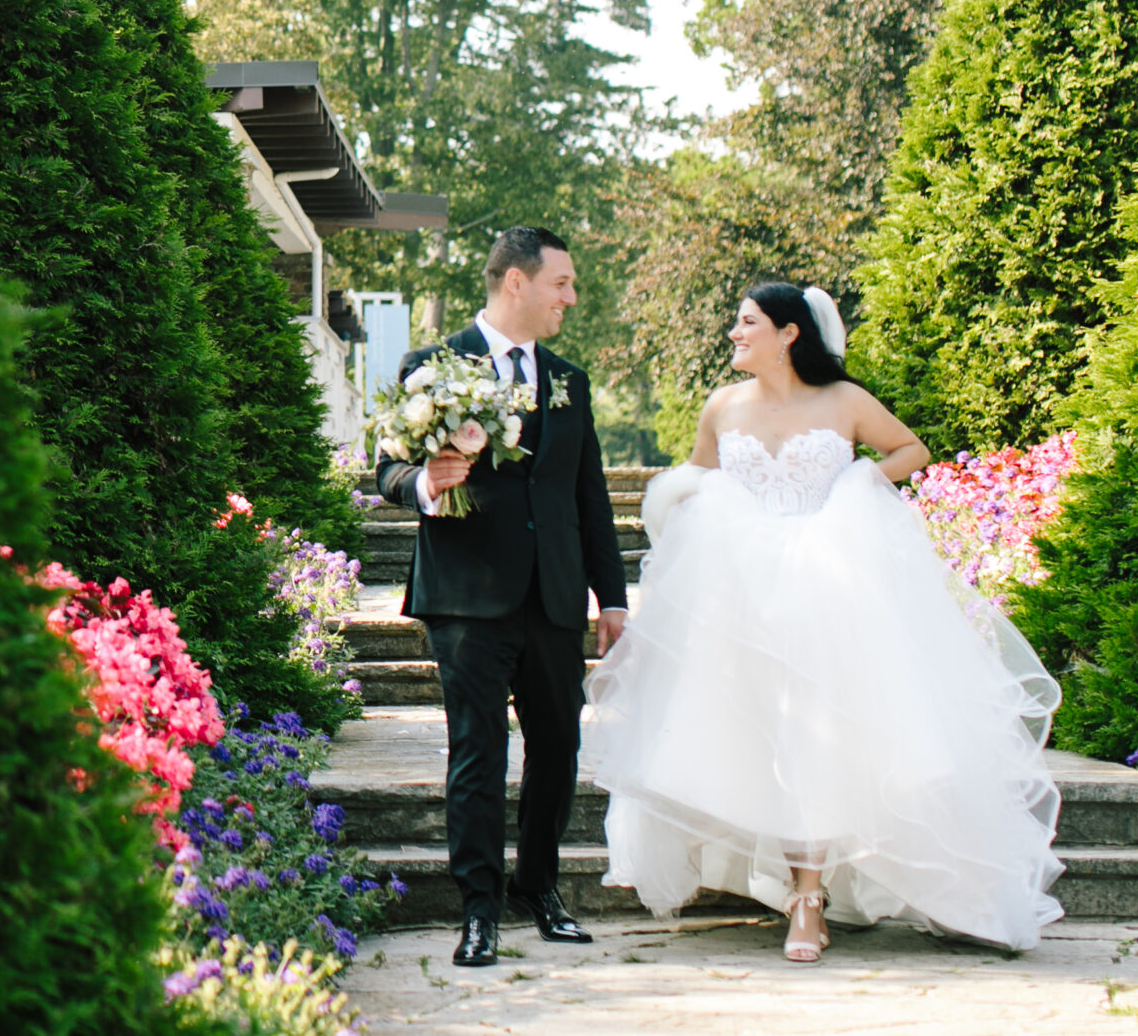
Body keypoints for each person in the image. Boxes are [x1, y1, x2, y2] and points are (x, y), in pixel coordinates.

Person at [580, 281, 1064, 962]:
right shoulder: (722, 405)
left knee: (823, 734)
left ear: (789, 333)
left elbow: (911, 450)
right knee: (766, 738)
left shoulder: (843, 401)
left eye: (747, 322)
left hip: (830, 589)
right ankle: (791, 885)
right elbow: (696, 480)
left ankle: (810, 897)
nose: (734, 333)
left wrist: (857, 485)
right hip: (741, 597)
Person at [376, 227, 631, 969]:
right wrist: (427, 485)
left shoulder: (568, 379)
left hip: (552, 595)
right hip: (467, 596)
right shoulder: (431, 365)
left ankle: (539, 888)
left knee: (558, 747)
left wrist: (611, 597)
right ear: (515, 282)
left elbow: (588, 498)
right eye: (562, 283)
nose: (571, 297)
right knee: (479, 752)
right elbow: (386, 471)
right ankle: (479, 910)